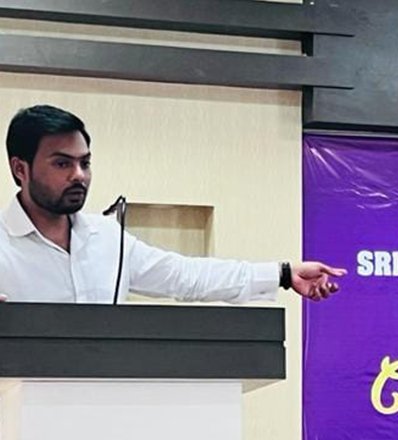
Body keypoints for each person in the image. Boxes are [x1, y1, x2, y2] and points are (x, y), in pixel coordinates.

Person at [0, 104, 345, 303]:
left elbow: (186, 276)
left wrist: (283, 274)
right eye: (62, 163)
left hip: (106, 401)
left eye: (85, 163)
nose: (79, 175)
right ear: (20, 169)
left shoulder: (106, 237)